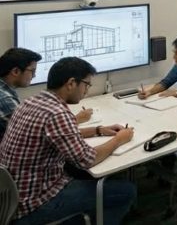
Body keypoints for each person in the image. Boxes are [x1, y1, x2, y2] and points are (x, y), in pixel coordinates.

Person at [0, 57, 135, 225]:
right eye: (86, 84)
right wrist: (119, 139)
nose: (86, 90)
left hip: (14, 197)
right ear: (71, 83)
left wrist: (97, 130)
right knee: (126, 191)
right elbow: (87, 159)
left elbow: (56, 135)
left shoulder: (32, 101)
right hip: (37, 202)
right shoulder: (57, 113)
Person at [0, 48, 44, 138]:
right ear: (15, 71)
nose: (34, 76)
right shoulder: (5, 99)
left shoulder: (5, 89)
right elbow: (31, 134)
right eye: (32, 71)